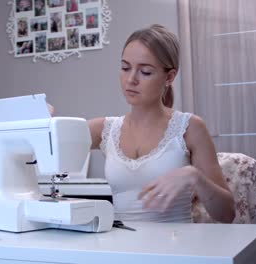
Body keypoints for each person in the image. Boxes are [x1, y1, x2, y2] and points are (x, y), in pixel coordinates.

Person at [87, 24, 235, 223]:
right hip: (120, 247)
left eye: (145, 72)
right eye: (125, 68)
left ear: (169, 77)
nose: (131, 79)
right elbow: (49, 138)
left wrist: (195, 177)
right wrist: (41, 115)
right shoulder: (104, 129)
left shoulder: (191, 128)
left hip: (175, 247)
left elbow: (227, 214)